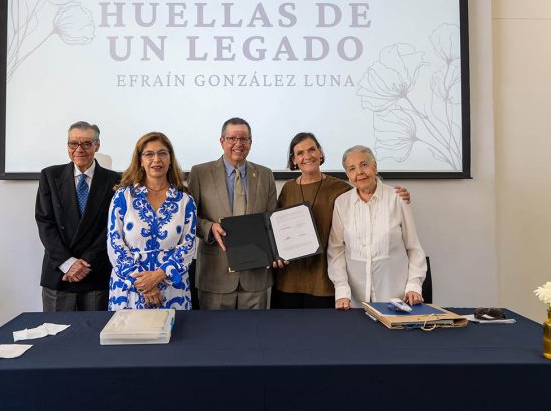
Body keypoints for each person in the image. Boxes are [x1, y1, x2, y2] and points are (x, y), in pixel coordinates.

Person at [272, 133, 410, 309]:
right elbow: (276, 230)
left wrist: (399, 196)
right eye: (300, 153)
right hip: (288, 281)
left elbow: (368, 189)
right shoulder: (287, 188)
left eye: (312, 149)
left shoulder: (341, 189)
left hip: (324, 284)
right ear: (294, 160)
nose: (307, 156)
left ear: (320, 153)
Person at [188, 117, 276, 310]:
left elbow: (272, 221)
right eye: (232, 138)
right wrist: (209, 227)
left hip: (255, 275)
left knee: (255, 330)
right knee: (215, 329)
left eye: (244, 139)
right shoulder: (200, 173)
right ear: (222, 141)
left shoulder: (265, 175)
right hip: (215, 275)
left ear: (250, 142)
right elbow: (189, 219)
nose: (238, 144)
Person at [327, 145, 426, 309]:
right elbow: (335, 251)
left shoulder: (397, 199)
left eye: (364, 165)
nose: (359, 172)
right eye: (352, 169)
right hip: (354, 302)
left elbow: (414, 247)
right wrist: (342, 291)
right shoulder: (341, 203)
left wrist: (414, 286)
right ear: (348, 175)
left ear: (375, 167)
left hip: (396, 298)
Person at [36, 121, 119, 311]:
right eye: (73, 143)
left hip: (95, 272)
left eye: (86, 143)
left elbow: (113, 228)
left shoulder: (115, 180)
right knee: (56, 330)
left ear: (97, 145)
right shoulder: (50, 175)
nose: (79, 149)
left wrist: (85, 264)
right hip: (59, 272)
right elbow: (45, 222)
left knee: (97, 329)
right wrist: (69, 264)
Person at [108, 132, 196, 310]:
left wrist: (158, 276)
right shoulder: (123, 197)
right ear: (140, 160)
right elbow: (114, 242)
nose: (156, 159)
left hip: (172, 291)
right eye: (149, 154)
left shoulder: (185, 201)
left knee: (175, 330)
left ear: (170, 159)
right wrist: (144, 284)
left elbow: (188, 246)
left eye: (162, 153)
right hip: (131, 289)